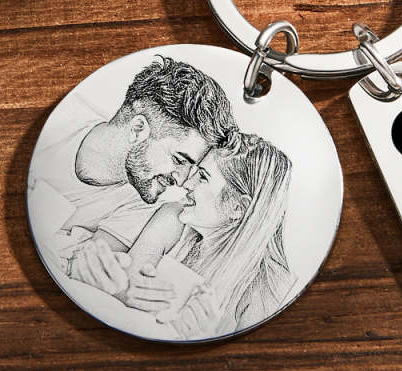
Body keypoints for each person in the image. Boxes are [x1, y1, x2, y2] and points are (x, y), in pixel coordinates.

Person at [70, 132, 296, 339]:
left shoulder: (270, 286)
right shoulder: (175, 215)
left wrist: (201, 338)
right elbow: (126, 287)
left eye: (203, 177)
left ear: (238, 208)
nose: (187, 183)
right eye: (195, 172)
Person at [28, 56, 237, 271]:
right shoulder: (52, 121)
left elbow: (84, 271)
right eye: (179, 160)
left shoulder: (145, 203)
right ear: (138, 129)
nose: (182, 181)